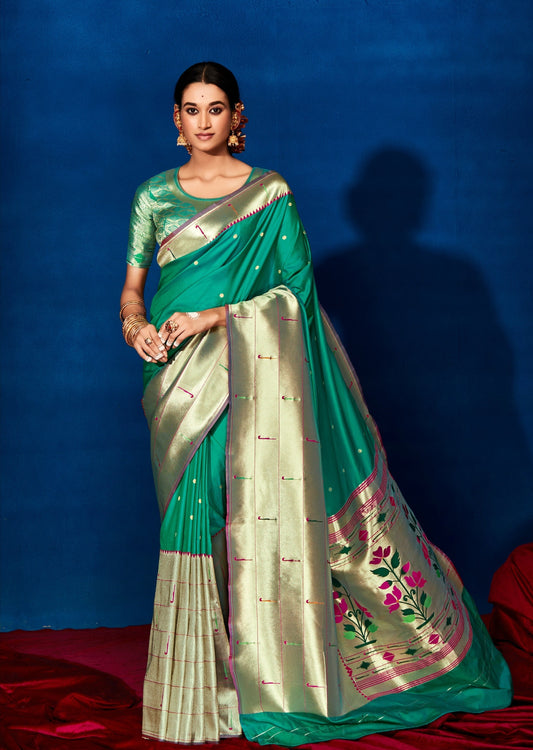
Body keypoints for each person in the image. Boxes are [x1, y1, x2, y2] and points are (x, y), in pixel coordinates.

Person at [120, 62, 512, 746]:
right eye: (191, 108)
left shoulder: (268, 195)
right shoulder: (153, 196)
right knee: (188, 518)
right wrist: (136, 327)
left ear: (235, 116)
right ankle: (199, 694)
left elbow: (294, 298)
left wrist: (215, 318)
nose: (203, 120)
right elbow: (131, 289)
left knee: (218, 508)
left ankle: (248, 688)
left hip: (243, 377)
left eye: (216, 108)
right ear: (174, 118)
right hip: (174, 380)